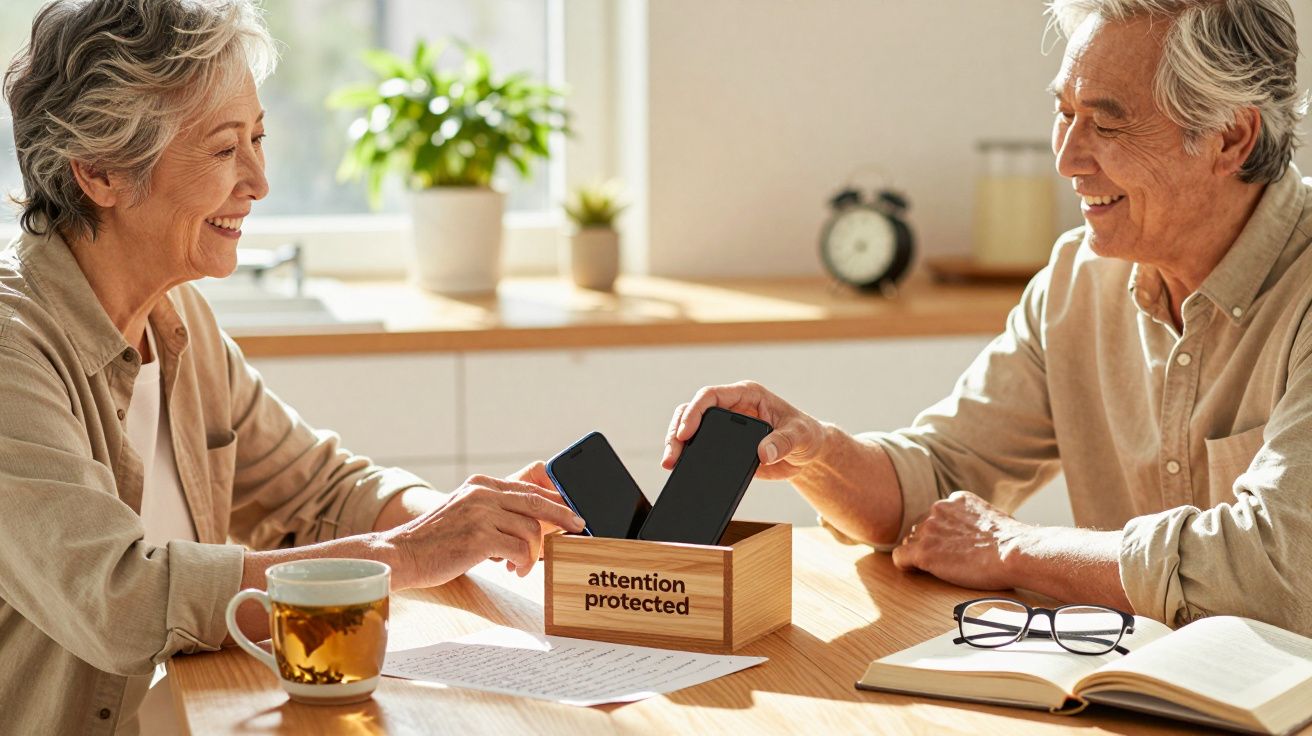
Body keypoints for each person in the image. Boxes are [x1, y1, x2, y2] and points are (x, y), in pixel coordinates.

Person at [0, 1, 584, 733]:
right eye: (222, 150)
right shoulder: (11, 349)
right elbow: (117, 600)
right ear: (101, 172)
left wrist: (465, 522)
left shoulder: (180, 323)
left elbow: (322, 488)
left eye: (259, 138)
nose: (259, 181)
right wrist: (406, 552)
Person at [669, 0, 1312, 635]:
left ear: (1231, 137)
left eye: (1107, 125)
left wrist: (1013, 547)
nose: (1067, 158)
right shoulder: (1075, 283)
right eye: (1064, 113)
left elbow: (1279, 572)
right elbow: (939, 484)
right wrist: (814, 450)